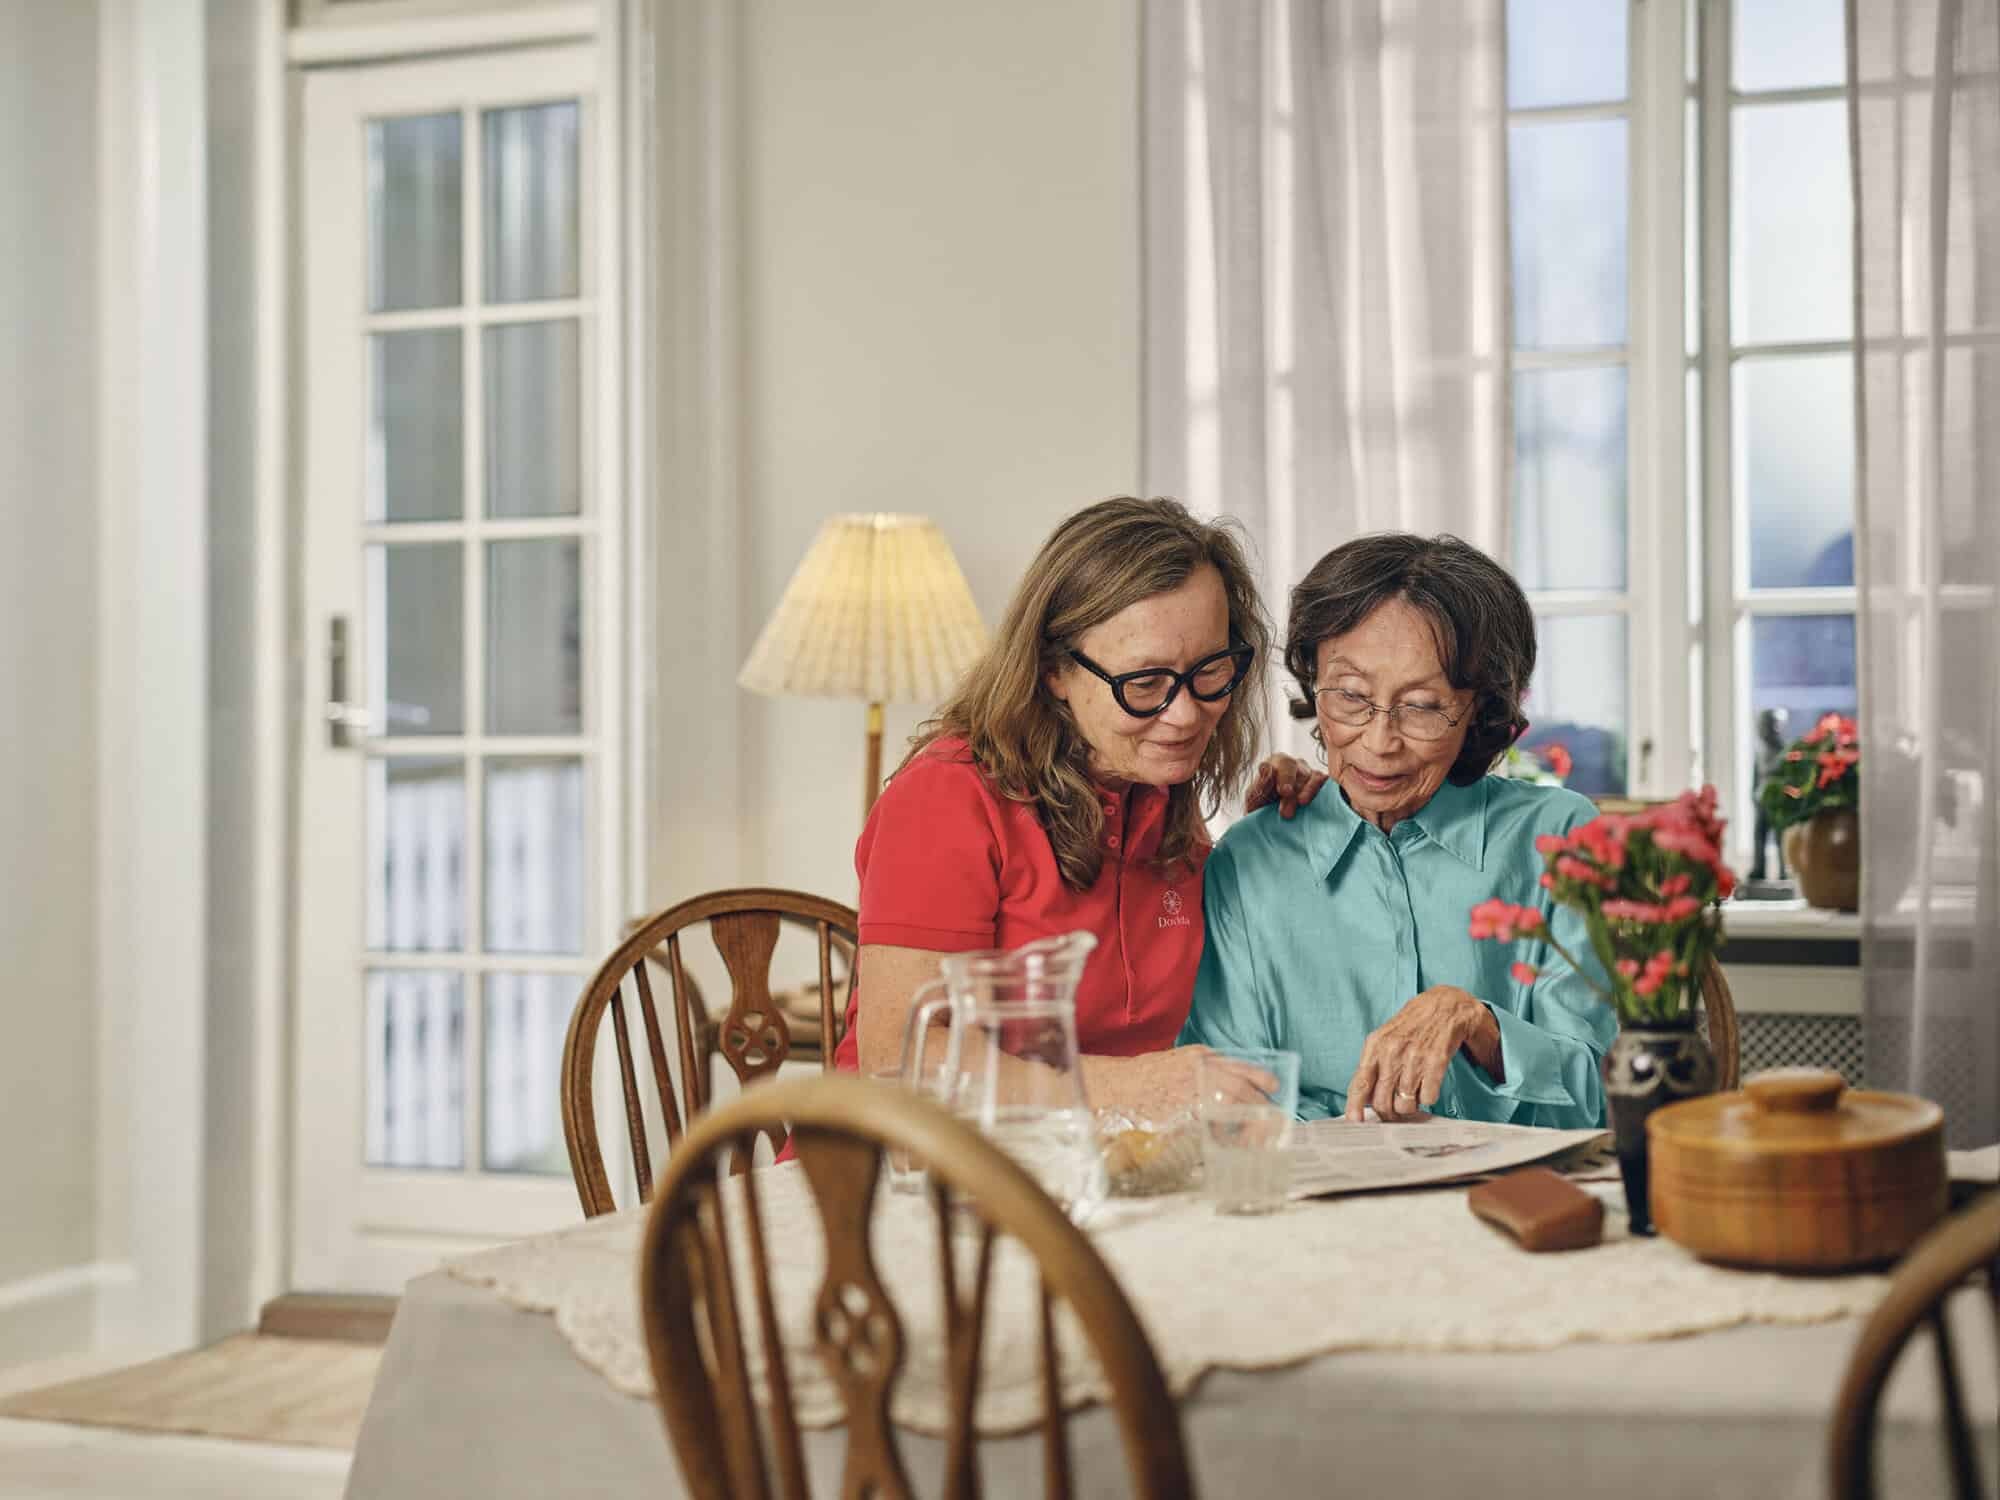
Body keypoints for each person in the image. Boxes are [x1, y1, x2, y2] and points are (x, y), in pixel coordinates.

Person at [834, 496, 1276, 1116]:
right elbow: (901, 1056)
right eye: (1144, 683)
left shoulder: (1158, 791)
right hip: (906, 1171)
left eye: (1211, 670)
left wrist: (1287, 826)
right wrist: (1131, 1088)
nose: (1185, 714)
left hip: (1084, 1163)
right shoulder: (948, 796)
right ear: (1054, 672)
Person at [1180, 532, 1617, 1126]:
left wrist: (1482, 1027)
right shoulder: (1250, 861)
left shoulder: (1561, 840)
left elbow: (1607, 1096)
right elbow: (1236, 1103)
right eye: (1351, 697)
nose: (1380, 744)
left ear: (1480, 711)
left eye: (1423, 706)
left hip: (1517, 1197)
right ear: (1314, 687)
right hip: (1324, 1203)